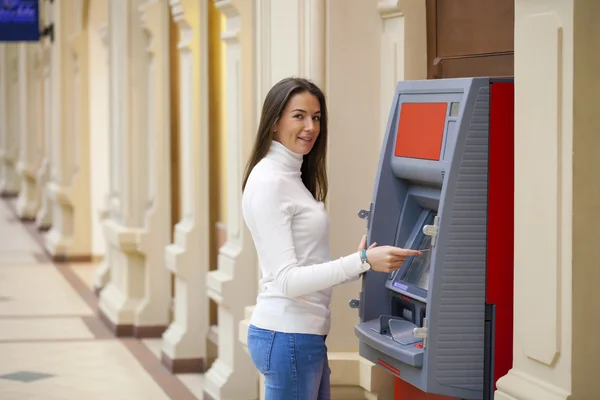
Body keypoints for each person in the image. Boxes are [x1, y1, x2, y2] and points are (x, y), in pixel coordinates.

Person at [241, 77, 421, 400]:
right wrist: (362, 262)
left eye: (316, 117)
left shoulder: (289, 176)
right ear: (273, 123)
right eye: (299, 116)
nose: (310, 126)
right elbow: (287, 281)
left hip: (300, 336)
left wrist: (362, 262)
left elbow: (306, 261)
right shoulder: (270, 182)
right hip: (289, 335)